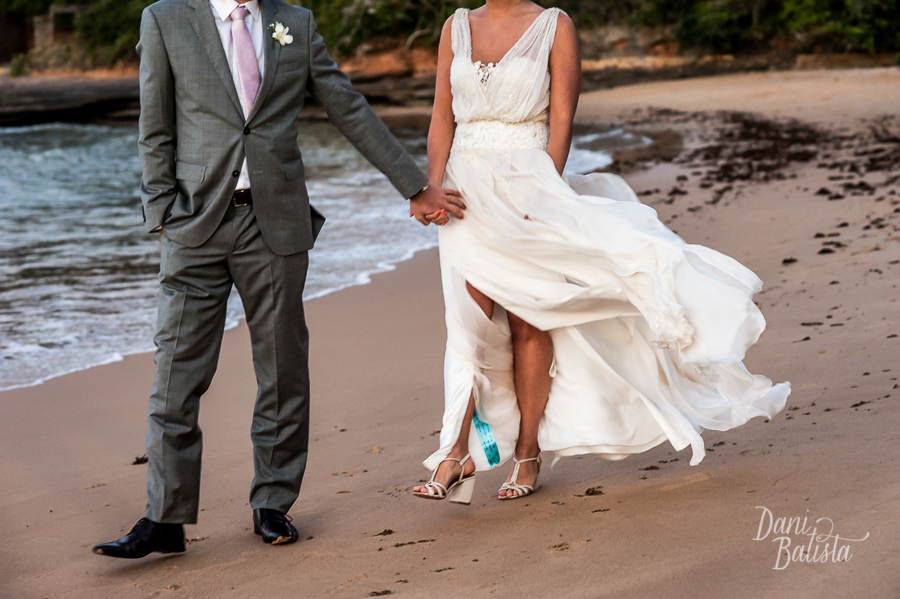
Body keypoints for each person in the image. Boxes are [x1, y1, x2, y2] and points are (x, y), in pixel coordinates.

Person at [92, 0, 464, 559]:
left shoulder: (298, 21)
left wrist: (413, 186)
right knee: (175, 372)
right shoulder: (165, 18)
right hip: (194, 226)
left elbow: (348, 107)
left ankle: (272, 503)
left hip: (277, 223)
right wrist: (161, 213)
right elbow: (155, 126)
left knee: (283, 367)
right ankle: (164, 518)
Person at [412, 0, 790, 504]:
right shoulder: (455, 26)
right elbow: (442, 117)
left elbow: (561, 122)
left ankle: (527, 453)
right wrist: (431, 186)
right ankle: (455, 452)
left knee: (530, 319)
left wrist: (545, 198)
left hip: (530, 189)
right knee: (468, 321)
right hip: (463, 194)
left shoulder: (554, 26)